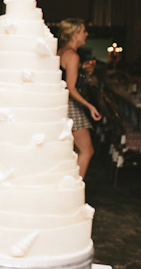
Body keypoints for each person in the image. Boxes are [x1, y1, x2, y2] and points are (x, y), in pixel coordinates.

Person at [57, 19, 101, 179]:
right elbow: (71, 87)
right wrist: (89, 106)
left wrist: (81, 70)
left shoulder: (62, 51)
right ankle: (75, 190)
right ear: (75, 34)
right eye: (84, 31)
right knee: (87, 151)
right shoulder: (73, 56)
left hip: (60, 105)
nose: (86, 34)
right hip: (71, 106)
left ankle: (69, 186)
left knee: (74, 152)